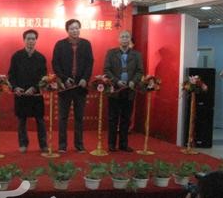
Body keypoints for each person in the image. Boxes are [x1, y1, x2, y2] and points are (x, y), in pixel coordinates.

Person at [52, 19, 93, 153]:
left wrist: (85, 79)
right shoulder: (60, 44)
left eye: (76, 28)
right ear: (67, 30)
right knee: (63, 117)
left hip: (80, 86)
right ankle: (62, 145)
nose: (75, 30)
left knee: (79, 117)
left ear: (79, 29)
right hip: (65, 87)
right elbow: (55, 63)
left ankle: (79, 145)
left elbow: (90, 63)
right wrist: (64, 79)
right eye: (71, 28)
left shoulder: (86, 44)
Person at [8, 29, 48, 153]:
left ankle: (43, 145)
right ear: (24, 40)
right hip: (21, 93)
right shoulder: (17, 56)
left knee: (40, 120)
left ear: (36, 40)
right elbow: (11, 75)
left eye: (33, 39)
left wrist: (34, 88)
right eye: (28, 39)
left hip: (36, 94)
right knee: (22, 121)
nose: (31, 41)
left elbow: (44, 77)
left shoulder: (40, 57)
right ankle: (23, 144)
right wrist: (15, 87)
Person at [103, 30, 144, 152]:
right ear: (118, 39)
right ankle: (111, 144)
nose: (125, 39)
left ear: (130, 39)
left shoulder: (137, 55)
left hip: (129, 90)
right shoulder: (111, 53)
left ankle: (123, 144)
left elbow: (140, 71)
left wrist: (133, 81)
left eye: (127, 37)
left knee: (126, 118)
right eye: (122, 37)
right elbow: (106, 70)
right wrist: (116, 81)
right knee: (113, 118)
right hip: (115, 90)